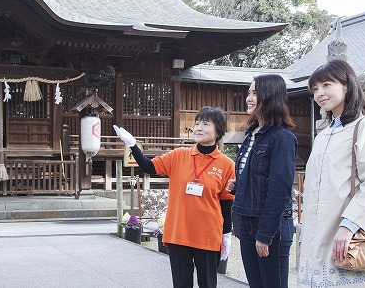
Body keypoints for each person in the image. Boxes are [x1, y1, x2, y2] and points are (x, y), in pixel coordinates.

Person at [297, 59, 365, 287]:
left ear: (347, 85)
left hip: (348, 230)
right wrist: (305, 233)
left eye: (326, 85)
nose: (319, 93)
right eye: (315, 89)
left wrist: (349, 225)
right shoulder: (324, 134)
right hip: (318, 233)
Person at [114, 106, 235, 288]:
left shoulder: (227, 165)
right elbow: (149, 167)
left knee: (208, 284)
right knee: (181, 284)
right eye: (196, 123)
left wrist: (226, 235)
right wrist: (133, 144)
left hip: (208, 235)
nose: (198, 128)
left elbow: (226, 203)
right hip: (179, 233)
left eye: (205, 124)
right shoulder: (179, 155)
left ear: (218, 131)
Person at [227, 74, 297, 288]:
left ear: (271, 96)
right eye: (249, 93)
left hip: (269, 225)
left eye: (255, 93)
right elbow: (259, 177)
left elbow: (279, 190)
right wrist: (239, 185)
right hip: (247, 221)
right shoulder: (251, 134)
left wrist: (265, 234)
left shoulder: (282, 137)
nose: (249, 98)